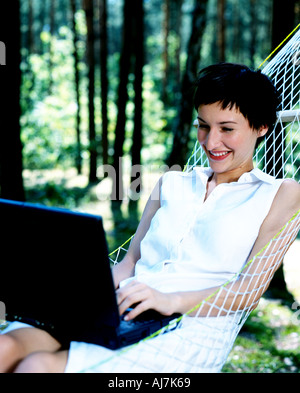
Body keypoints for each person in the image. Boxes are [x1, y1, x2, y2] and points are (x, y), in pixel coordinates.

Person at [1, 63, 300, 373]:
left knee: (37, 366)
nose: (211, 142)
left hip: (190, 329)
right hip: (122, 309)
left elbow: (248, 292)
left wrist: (169, 300)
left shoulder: (281, 194)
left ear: (261, 126)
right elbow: (129, 264)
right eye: (203, 125)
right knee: (5, 348)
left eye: (226, 129)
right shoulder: (172, 183)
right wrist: (74, 295)